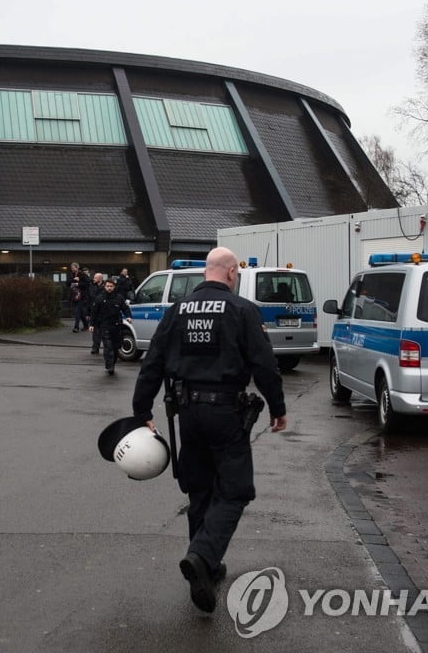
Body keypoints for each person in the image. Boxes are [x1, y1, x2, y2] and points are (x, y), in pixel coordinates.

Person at [131, 246, 287, 614]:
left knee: (200, 490)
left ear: (206, 273)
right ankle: (203, 555)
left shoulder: (176, 311)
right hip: (226, 414)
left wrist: (141, 411)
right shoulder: (243, 310)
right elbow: (264, 364)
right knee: (234, 491)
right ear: (232, 273)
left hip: (187, 413)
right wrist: (278, 408)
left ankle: (205, 570)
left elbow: (152, 363)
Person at [88, 278, 132, 375]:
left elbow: (125, 308)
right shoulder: (100, 298)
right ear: (104, 287)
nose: (109, 288)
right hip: (105, 325)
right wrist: (92, 324)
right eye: (107, 286)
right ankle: (109, 365)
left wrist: (128, 316)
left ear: (114, 287)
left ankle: (112, 362)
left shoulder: (119, 298)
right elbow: (94, 312)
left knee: (116, 347)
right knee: (108, 347)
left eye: (111, 286)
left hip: (116, 325)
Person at [68, 263, 91, 332]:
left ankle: (76, 327)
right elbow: (67, 283)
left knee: (77, 311)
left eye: (73, 268)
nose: (72, 269)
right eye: (71, 268)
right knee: (80, 312)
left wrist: (79, 283)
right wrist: (73, 280)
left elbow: (87, 283)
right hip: (74, 296)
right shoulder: (71, 275)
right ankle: (86, 325)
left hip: (82, 296)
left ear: (77, 268)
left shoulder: (82, 275)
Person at [88, 273, 107, 354]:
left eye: (95, 277)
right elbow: (89, 299)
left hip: (103, 312)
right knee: (95, 332)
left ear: (100, 278)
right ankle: (95, 347)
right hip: (95, 312)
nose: (94, 279)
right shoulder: (92, 286)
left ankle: (107, 348)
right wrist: (88, 313)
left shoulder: (105, 287)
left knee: (105, 332)